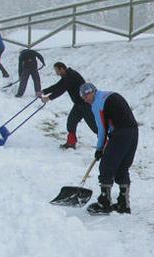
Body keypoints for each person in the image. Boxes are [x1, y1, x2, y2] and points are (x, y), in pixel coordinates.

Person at [80, 83, 139, 215]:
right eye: (83, 98)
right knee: (122, 167)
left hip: (120, 133)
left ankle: (104, 203)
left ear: (92, 92)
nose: (85, 99)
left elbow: (102, 129)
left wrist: (99, 148)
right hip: (133, 132)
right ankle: (123, 204)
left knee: (106, 166)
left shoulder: (97, 103)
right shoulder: (110, 95)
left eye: (86, 96)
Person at [41, 62, 97, 149]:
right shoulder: (66, 75)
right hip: (78, 104)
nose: (56, 73)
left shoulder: (71, 76)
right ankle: (71, 142)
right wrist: (43, 91)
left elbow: (61, 90)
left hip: (85, 103)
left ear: (62, 69)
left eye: (57, 70)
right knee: (71, 122)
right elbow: (58, 85)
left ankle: (108, 143)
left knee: (94, 126)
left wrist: (48, 98)